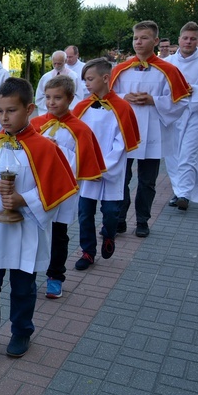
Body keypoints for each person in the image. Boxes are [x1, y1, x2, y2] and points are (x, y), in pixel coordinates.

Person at [0, 77, 77, 361]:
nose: (3, 117)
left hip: (27, 227)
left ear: (29, 109)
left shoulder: (45, 147)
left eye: (11, 110)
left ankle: (21, 331)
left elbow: (59, 189)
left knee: (23, 286)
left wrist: (26, 200)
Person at [112, 20, 191, 237]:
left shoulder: (168, 70)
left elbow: (181, 101)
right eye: (136, 38)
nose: (138, 42)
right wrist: (123, 97)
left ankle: (142, 221)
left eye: (144, 37)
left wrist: (154, 100)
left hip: (153, 131)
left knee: (147, 181)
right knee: (122, 178)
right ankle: (119, 219)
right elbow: (107, 97)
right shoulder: (120, 69)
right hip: (126, 131)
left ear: (155, 41)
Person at [30, 75, 105, 297]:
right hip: (37, 189)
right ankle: (30, 276)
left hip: (64, 191)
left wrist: (56, 151)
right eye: (48, 97)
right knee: (34, 234)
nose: (52, 103)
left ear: (71, 98)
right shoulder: (35, 124)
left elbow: (82, 162)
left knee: (58, 235)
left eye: (58, 98)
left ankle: (55, 276)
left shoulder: (80, 129)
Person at [72, 58, 140, 271]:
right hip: (88, 168)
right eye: (85, 80)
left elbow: (122, 143)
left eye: (90, 79)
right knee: (85, 212)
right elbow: (75, 137)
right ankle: (88, 251)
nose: (87, 84)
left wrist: (104, 167)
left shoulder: (122, 107)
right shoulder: (82, 107)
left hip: (111, 168)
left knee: (111, 212)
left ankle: (109, 235)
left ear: (105, 78)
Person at [165, 22, 198, 210]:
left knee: (188, 154)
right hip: (172, 115)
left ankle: (184, 195)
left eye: (193, 39)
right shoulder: (168, 63)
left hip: (194, 114)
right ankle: (179, 190)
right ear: (179, 39)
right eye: (185, 38)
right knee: (173, 156)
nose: (188, 42)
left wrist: (193, 90)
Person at [35, 50, 86, 115]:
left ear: (65, 61)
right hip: (48, 113)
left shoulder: (73, 76)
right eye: (54, 63)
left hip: (68, 113)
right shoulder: (46, 77)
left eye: (59, 63)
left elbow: (79, 96)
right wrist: (51, 107)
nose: (56, 66)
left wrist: (64, 107)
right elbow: (39, 97)